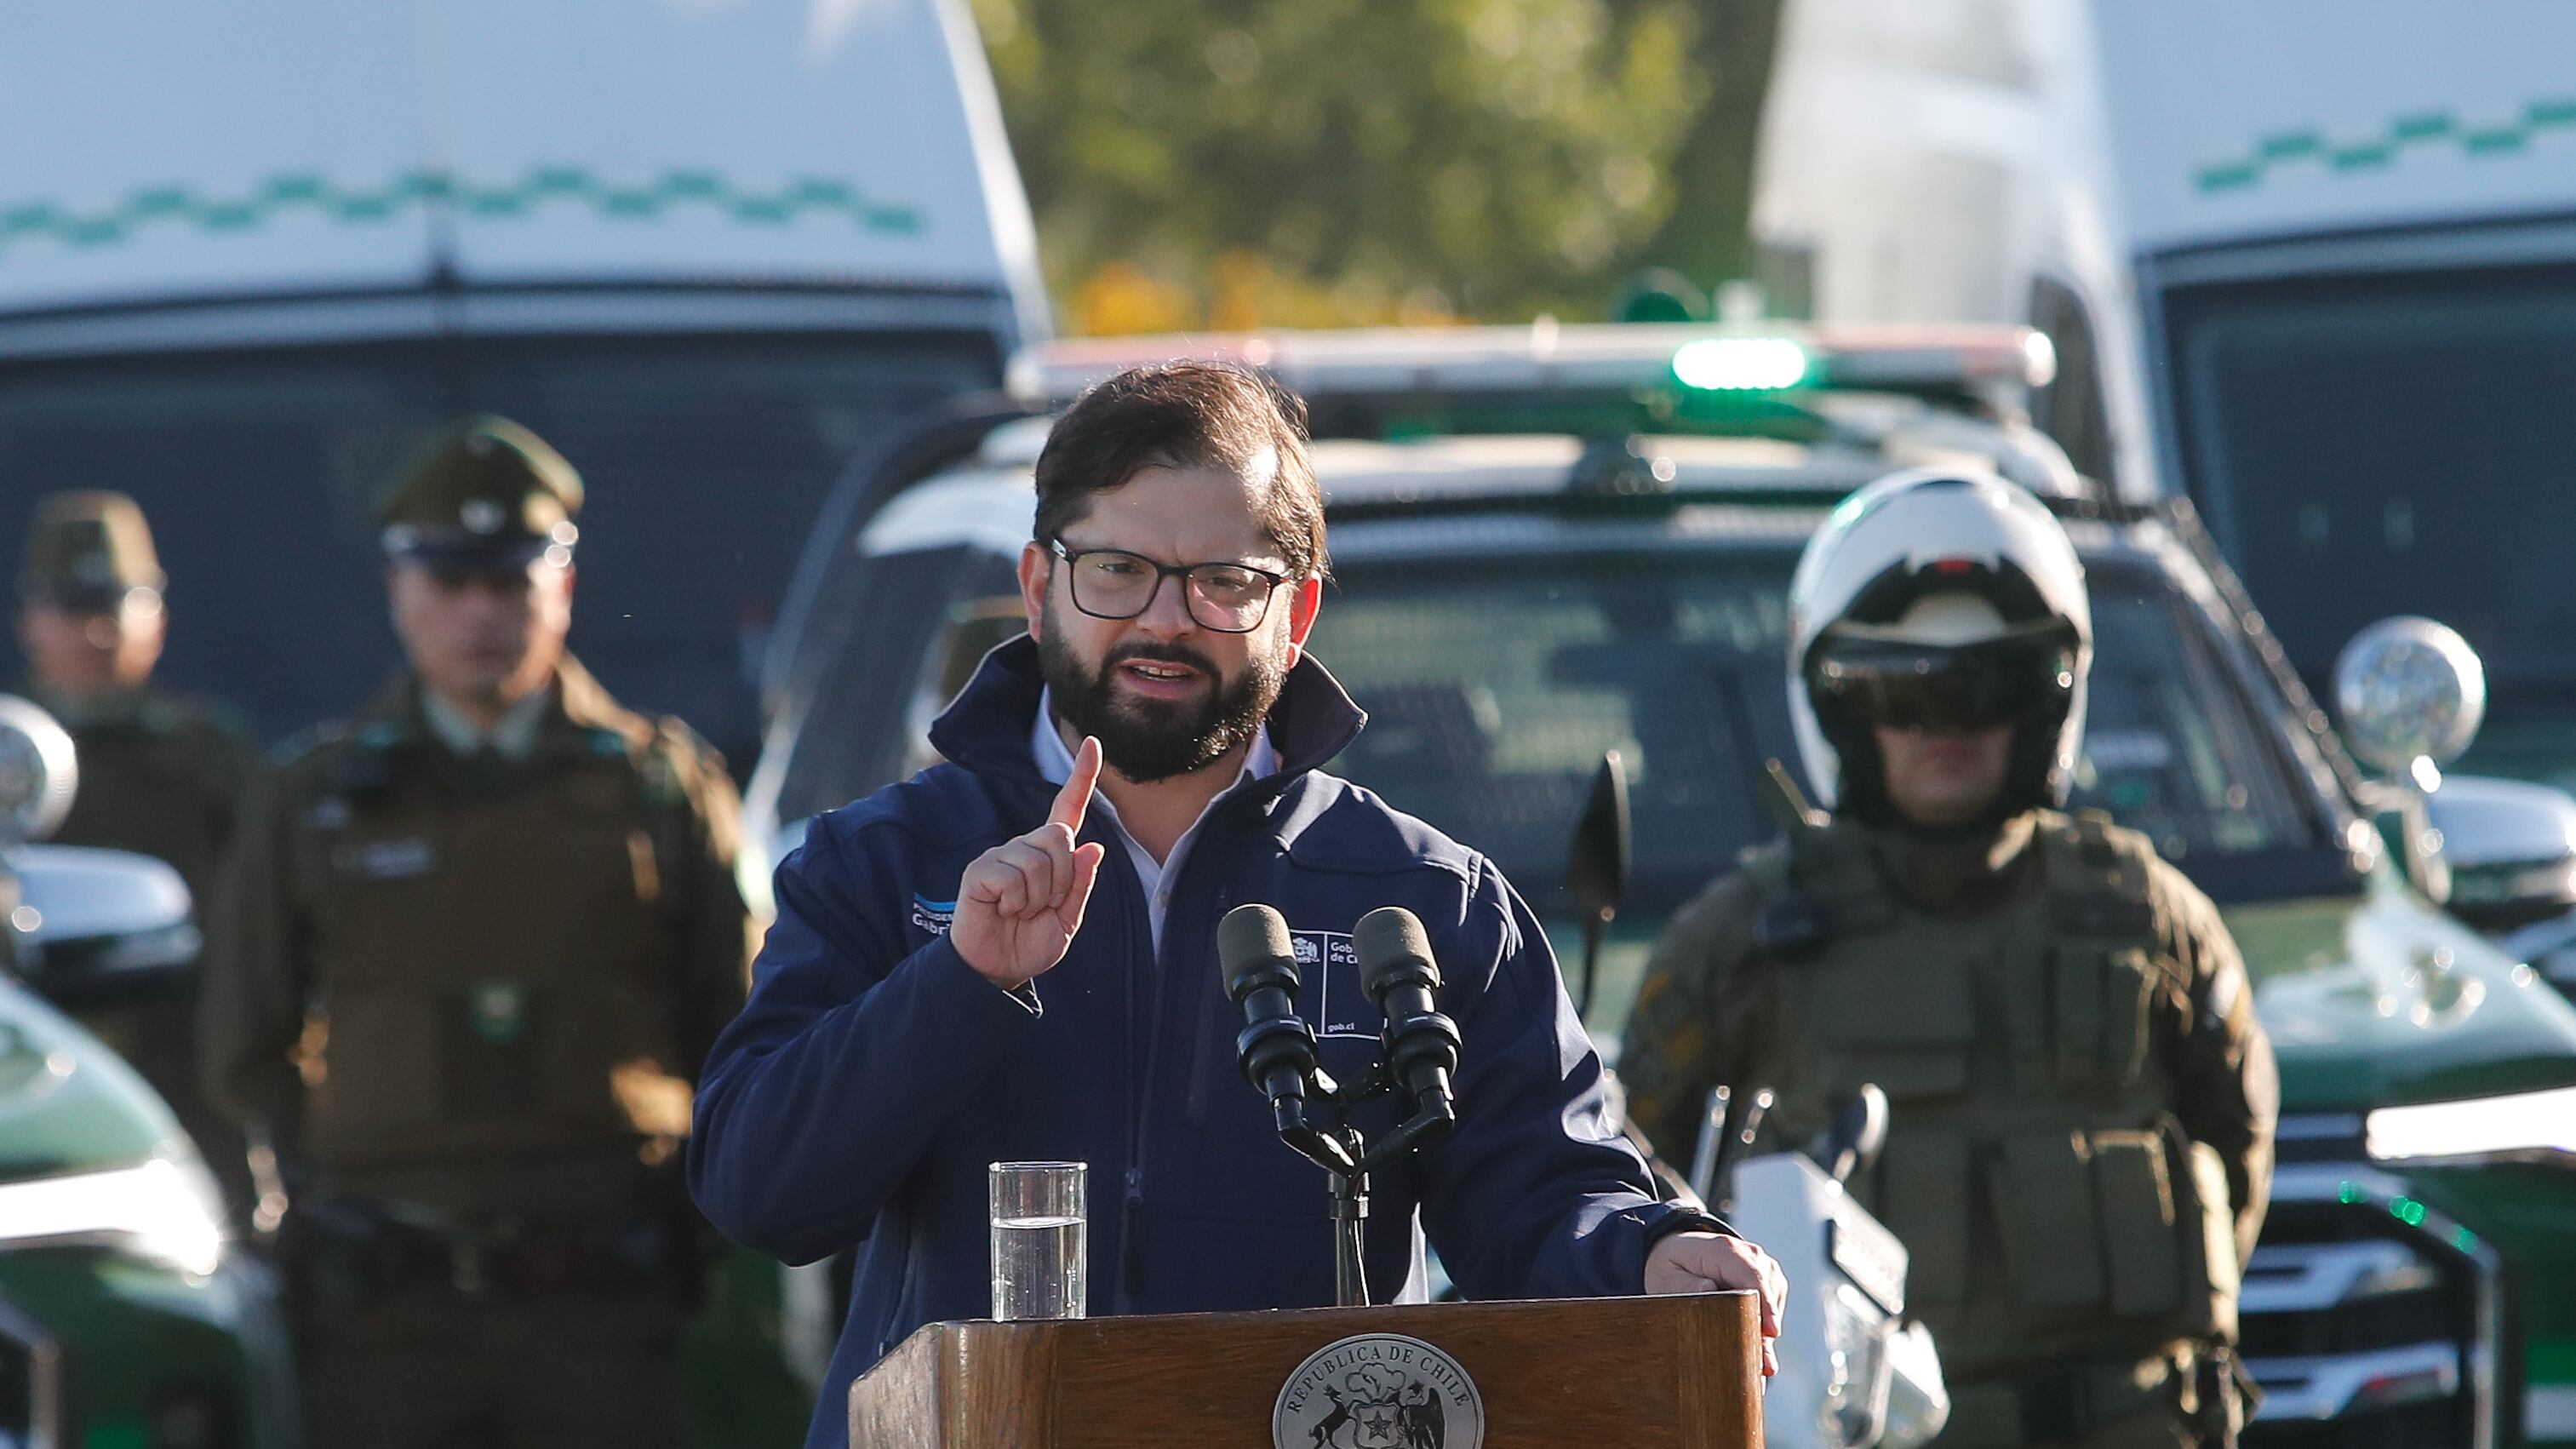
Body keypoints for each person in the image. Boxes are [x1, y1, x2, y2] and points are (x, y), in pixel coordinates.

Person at [690, 362, 1787, 1448]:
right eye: (1116, 570)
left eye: (1223, 580)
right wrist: (957, 983)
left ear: (1295, 611)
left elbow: (1542, 1191)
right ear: (1036, 586)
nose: (1165, 621)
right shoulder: (882, 861)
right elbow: (760, 1192)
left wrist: (1650, 1249)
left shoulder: (1422, 897)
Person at [1619, 467, 2277, 1449]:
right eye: (1903, 693)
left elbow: (2235, 1143)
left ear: (2046, 702)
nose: (1946, 729)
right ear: (1841, 707)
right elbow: (1630, 1175)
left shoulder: (2149, 916)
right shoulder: (1743, 934)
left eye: (1988, 689)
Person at [199, 417, 754, 1449]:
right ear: (399, 591)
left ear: (563, 587)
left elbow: (738, 1029)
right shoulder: (311, 800)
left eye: (508, 581)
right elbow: (243, 1045)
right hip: (383, 1320)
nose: (481, 612)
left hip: (607, 1313)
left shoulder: (661, 789)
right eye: (450, 581)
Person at [15, 490, 262, 1208]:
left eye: (116, 606)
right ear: (30, 621)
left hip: (188, 1085)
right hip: (29, 1092)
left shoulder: (212, 764)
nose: (97, 633)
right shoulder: (11, 762)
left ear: (158, 618)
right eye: (73, 609)